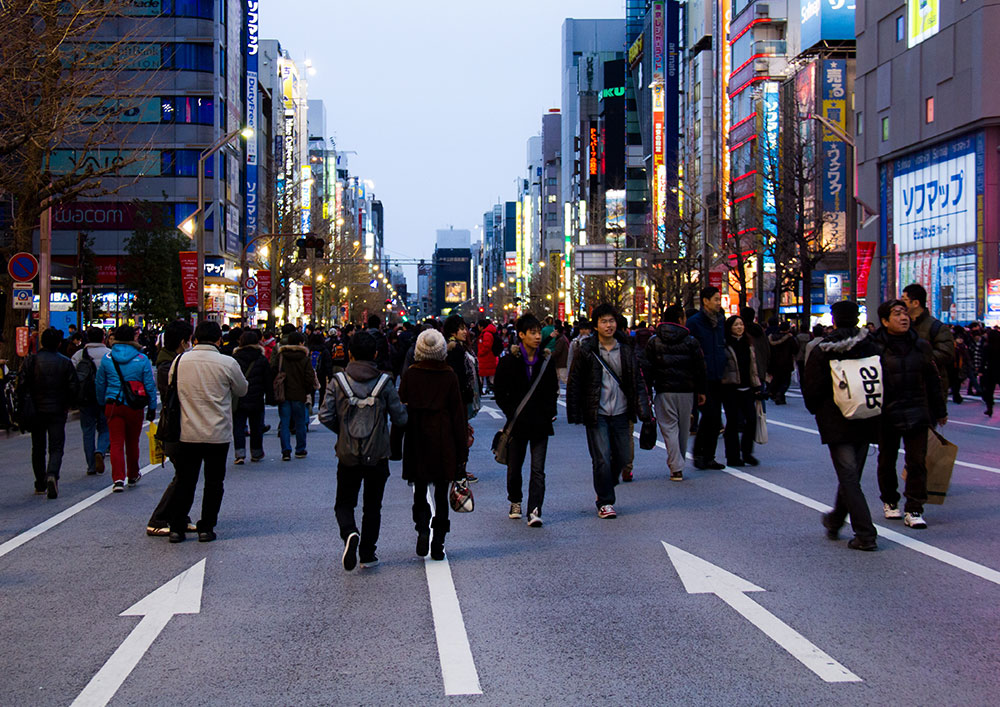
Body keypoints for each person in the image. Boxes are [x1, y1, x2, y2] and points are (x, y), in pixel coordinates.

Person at [320, 331, 407, 570]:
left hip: (347, 453)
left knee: (344, 502)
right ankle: (368, 553)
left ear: (350, 353)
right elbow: (400, 417)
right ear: (376, 354)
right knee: (373, 505)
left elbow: (325, 415)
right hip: (377, 454)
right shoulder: (385, 382)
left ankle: (349, 532)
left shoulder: (338, 382)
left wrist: (343, 430)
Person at [803, 300, 880, 551]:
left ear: (833, 320)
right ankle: (836, 519)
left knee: (848, 475)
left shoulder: (823, 349)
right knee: (852, 474)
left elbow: (812, 389)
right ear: (857, 318)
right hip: (866, 413)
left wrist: (818, 410)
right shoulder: (871, 344)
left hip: (836, 419)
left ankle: (866, 533)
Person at [165, 321, 248, 543]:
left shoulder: (180, 361)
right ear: (219, 340)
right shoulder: (227, 363)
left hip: (187, 430)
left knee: (185, 480)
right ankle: (206, 527)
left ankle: (176, 526)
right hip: (217, 432)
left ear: (195, 339)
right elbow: (242, 388)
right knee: (214, 482)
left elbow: (171, 385)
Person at [567, 303, 651, 519]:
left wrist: (645, 412)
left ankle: (606, 485)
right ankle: (605, 501)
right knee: (602, 458)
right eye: (603, 321)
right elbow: (575, 381)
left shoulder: (626, 349)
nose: (608, 325)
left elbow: (637, 382)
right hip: (598, 412)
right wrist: (575, 412)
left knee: (623, 456)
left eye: (611, 320)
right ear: (596, 325)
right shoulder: (587, 350)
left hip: (622, 411)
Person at [873, 299, 947, 529]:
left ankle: (914, 508)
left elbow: (932, 379)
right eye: (897, 314)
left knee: (917, 462)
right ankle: (890, 501)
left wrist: (939, 410)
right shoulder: (875, 346)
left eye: (904, 313)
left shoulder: (921, 345)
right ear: (885, 321)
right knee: (887, 460)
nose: (903, 317)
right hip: (887, 412)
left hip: (916, 410)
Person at [399, 329, 468, 560]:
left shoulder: (411, 374)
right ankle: (439, 538)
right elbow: (458, 415)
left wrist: (394, 444)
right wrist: (462, 450)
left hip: (417, 434)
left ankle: (421, 528)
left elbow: (401, 409)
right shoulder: (449, 375)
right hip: (443, 436)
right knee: (440, 490)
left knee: (419, 487)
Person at [493, 312, 559, 526]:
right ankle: (515, 501)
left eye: (539, 332)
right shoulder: (508, 362)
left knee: (538, 469)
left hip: (540, 423)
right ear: (521, 335)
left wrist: (549, 412)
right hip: (518, 422)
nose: (538, 337)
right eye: (532, 333)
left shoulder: (547, 361)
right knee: (514, 468)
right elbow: (500, 392)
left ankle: (535, 509)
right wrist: (511, 413)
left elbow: (552, 390)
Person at [640, 304, 707, 481]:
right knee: (683, 429)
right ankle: (678, 463)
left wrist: (647, 391)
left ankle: (676, 466)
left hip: (664, 390)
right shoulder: (691, 341)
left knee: (669, 428)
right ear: (680, 319)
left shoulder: (654, 341)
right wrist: (701, 390)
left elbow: (646, 368)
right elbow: (700, 368)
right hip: (686, 391)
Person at [147, 320, 196, 537]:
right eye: (189, 340)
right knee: (183, 475)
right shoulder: (169, 365)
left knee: (186, 474)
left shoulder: (171, 361)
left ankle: (180, 516)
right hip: (176, 426)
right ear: (183, 342)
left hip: (180, 424)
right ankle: (158, 518)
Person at [95, 324, 157, 492]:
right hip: (134, 405)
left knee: (115, 442)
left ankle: (118, 479)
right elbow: (150, 385)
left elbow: (100, 383)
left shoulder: (108, 359)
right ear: (133, 338)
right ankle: (133, 474)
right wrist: (152, 407)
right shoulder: (142, 359)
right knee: (132, 442)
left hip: (113, 403)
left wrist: (102, 402)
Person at [22, 328, 79, 498]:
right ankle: (52, 474)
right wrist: (70, 404)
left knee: (38, 447)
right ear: (59, 343)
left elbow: (22, 385)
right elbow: (73, 387)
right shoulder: (64, 362)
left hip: (36, 409)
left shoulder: (31, 361)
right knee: (56, 446)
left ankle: (40, 482)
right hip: (57, 409)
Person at [686, 287, 728, 470]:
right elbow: (690, 350)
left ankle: (709, 456)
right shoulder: (694, 322)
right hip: (702, 376)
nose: (719, 302)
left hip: (719, 375)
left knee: (715, 417)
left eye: (719, 299)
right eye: (716, 299)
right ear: (705, 301)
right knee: (710, 415)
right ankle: (699, 454)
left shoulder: (720, 321)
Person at [902, 283, 955, 400]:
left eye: (904, 300)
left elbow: (946, 353)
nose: (901, 304)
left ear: (915, 303)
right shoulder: (903, 326)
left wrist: (917, 359)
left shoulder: (937, 327)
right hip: (907, 387)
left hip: (930, 388)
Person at [721, 315, 761, 467]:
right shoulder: (725, 344)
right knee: (732, 423)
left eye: (741, 324)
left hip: (747, 387)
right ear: (730, 327)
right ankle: (733, 456)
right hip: (730, 388)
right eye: (736, 325)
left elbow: (753, 367)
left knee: (751, 420)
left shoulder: (748, 344)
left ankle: (747, 452)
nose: (739, 327)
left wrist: (757, 385)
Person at [72, 327, 111, 476]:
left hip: (85, 398)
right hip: (105, 397)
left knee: (87, 431)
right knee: (105, 428)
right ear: (103, 338)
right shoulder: (109, 354)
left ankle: (91, 465)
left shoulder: (79, 355)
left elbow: (72, 377)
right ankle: (100, 450)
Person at [271, 331, 315, 461]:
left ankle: (286, 451)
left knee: (284, 422)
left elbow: (273, 370)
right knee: (300, 422)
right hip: (299, 393)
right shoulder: (304, 358)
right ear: (301, 343)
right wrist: (307, 390)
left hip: (283, 392)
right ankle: (300, 449)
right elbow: (309, 377)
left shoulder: (281, 356)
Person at [233, 330, 272, 464]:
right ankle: (256, 452)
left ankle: (239, 453)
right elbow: (267, 379)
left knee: (238, 426)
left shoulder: (235, 359)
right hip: (257, 397)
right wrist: (271, 396)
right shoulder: (261, 359)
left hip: (239, 397)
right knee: (256, 426)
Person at [767, 321, 799, 405]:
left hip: (773, 362)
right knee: (785, 381)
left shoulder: (771, 338)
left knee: (776, 379)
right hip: (786, 363)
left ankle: (774, 392)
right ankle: (780, 394)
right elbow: (795, 349)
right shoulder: (790, 339)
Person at [978, 329, 1000, 417]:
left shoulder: (987, 346)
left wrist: (980, 370)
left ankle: (989, 409)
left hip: (990, 370)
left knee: (989, 391)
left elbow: (983, 360)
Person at [476, 318, 500, 396]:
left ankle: (493, 391)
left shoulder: (486, 334)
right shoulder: (488, 333)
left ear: (481, 326)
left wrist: (479, 353)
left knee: (486, 376)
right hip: (488, 358)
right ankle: (493, 391)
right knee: (490, 376)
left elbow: (486, 346)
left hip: (486, 358)